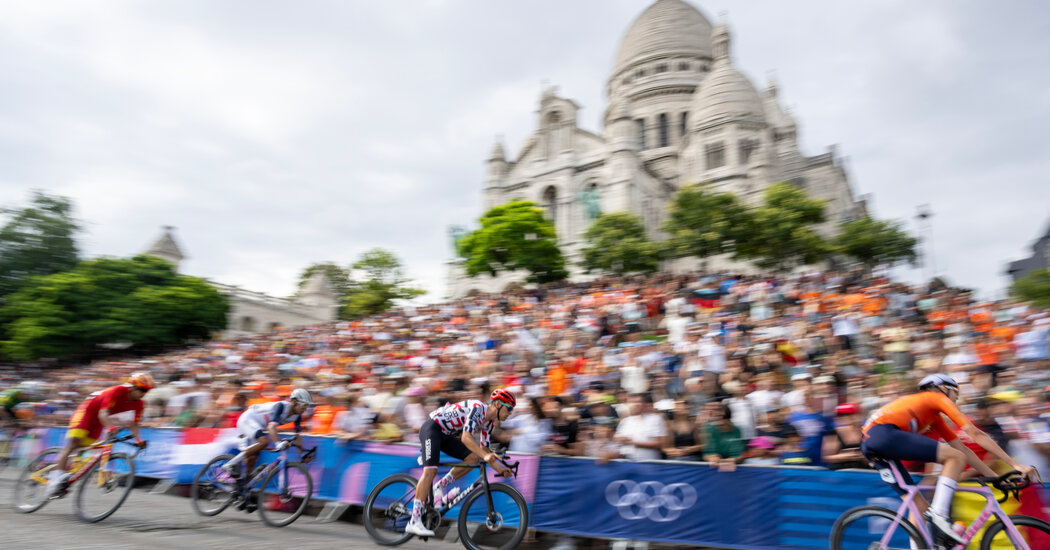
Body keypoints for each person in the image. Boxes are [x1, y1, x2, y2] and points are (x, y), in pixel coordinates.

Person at [860, 373, 1041, 545]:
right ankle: (940, 514)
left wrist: (995, 478)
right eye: (956, 393)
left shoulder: (933, 417)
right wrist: (1015, 465)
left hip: (871, 444)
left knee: (918, 505)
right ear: (944, 389)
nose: (957, 399)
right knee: (954, 458)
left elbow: (965, 450)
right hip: (882, 435)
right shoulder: (935, 398)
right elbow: (974, 433)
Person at [407, 389, 514, 537]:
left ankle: (439, 486)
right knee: (430, 471)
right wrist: (486, 455)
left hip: (446, 435)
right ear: (497, 404)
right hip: (432, 428)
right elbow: (466, 438)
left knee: (472, 459)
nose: (510, 412)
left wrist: (500, 470)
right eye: (509, 408)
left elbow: (484, 452)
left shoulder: (488, 424)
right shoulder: (478, 408)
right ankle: (414, 521)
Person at [47, 372, 154, 498]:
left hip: (99, 420)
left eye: (146, 391)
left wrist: (138, 439)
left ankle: (67, 474)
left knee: (84, 447)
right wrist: (110, 427)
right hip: (87, 412)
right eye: (142, 390)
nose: (143, 394)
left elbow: (135, 424)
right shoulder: (117, 391)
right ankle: (53, 482)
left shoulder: (139, 404)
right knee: (73, 443)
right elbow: (103, 413)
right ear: (132, 387)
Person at [222, 388, 312, 482]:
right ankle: (230, 464)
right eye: (304, 405)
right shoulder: (281, 406)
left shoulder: (297, 416)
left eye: (307, 406)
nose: (305, 409)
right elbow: (271, 427)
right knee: (264, 442)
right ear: (294, 401)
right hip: (248, 419)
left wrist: (302, 454)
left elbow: (298, 436)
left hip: (258, 425)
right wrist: (278, 443)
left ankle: (242, 489)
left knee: (252, 460)